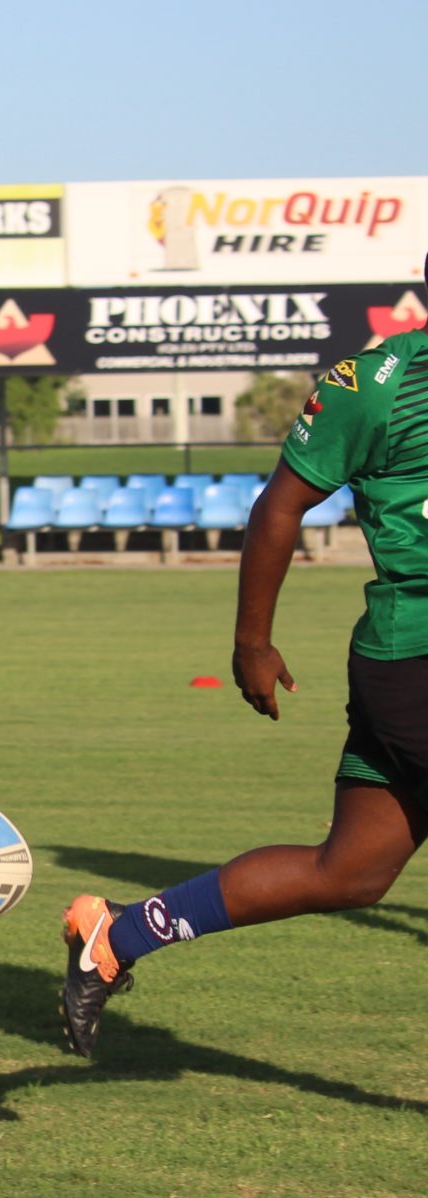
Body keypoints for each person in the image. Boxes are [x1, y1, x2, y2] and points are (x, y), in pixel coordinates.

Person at [62, 312, 428, 1056]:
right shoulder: (377, 386)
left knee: (350, 871)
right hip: (413, 658)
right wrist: (251, 641)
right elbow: (281, 506)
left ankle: (114, 935)